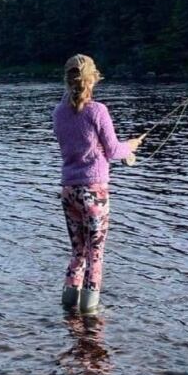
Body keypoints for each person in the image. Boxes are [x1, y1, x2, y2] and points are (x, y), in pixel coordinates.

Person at [52, 54, 143, 314]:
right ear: (93, 79)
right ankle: (90, 315)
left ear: (67, 79)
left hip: (69, 190)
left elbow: (69, 114)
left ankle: (68, 310)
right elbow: (114, 151)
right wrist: (132, 146)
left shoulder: (58, 113)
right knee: (95, 254)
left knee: (78, 251)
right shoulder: (97, 111)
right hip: (95, 192)